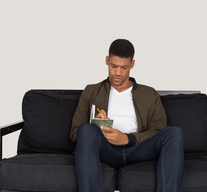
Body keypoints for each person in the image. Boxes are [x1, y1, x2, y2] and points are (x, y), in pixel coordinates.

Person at [70, 39, 184, 192]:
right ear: (106, 61)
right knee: (86, 129)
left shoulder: (149, 94)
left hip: (138, 149)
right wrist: (95, 126)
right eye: (113, 66)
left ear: (132, 64)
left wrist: (128, 139)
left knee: (174, 133)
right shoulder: (91, 91)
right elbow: (75, 133)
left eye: (124, 67)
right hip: (106, 149)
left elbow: (159, 131)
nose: (118, 73)